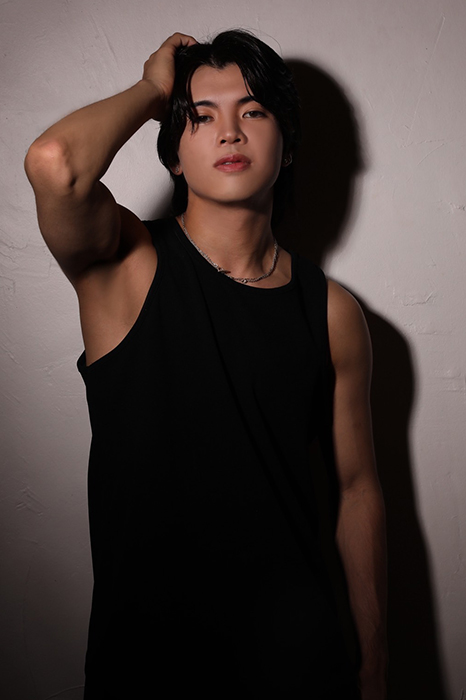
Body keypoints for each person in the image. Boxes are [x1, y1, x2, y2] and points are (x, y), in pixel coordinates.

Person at [25, 30, 387, 699]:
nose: (229, 131)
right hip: (147, 667)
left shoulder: (331, 311)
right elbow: (55, 164)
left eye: (254, 111)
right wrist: (154, 91)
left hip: (298, 666)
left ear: (286, 143)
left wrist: (372, 668)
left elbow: (357, 490)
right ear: (173, 153)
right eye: (201, 115)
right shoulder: (126, 266)